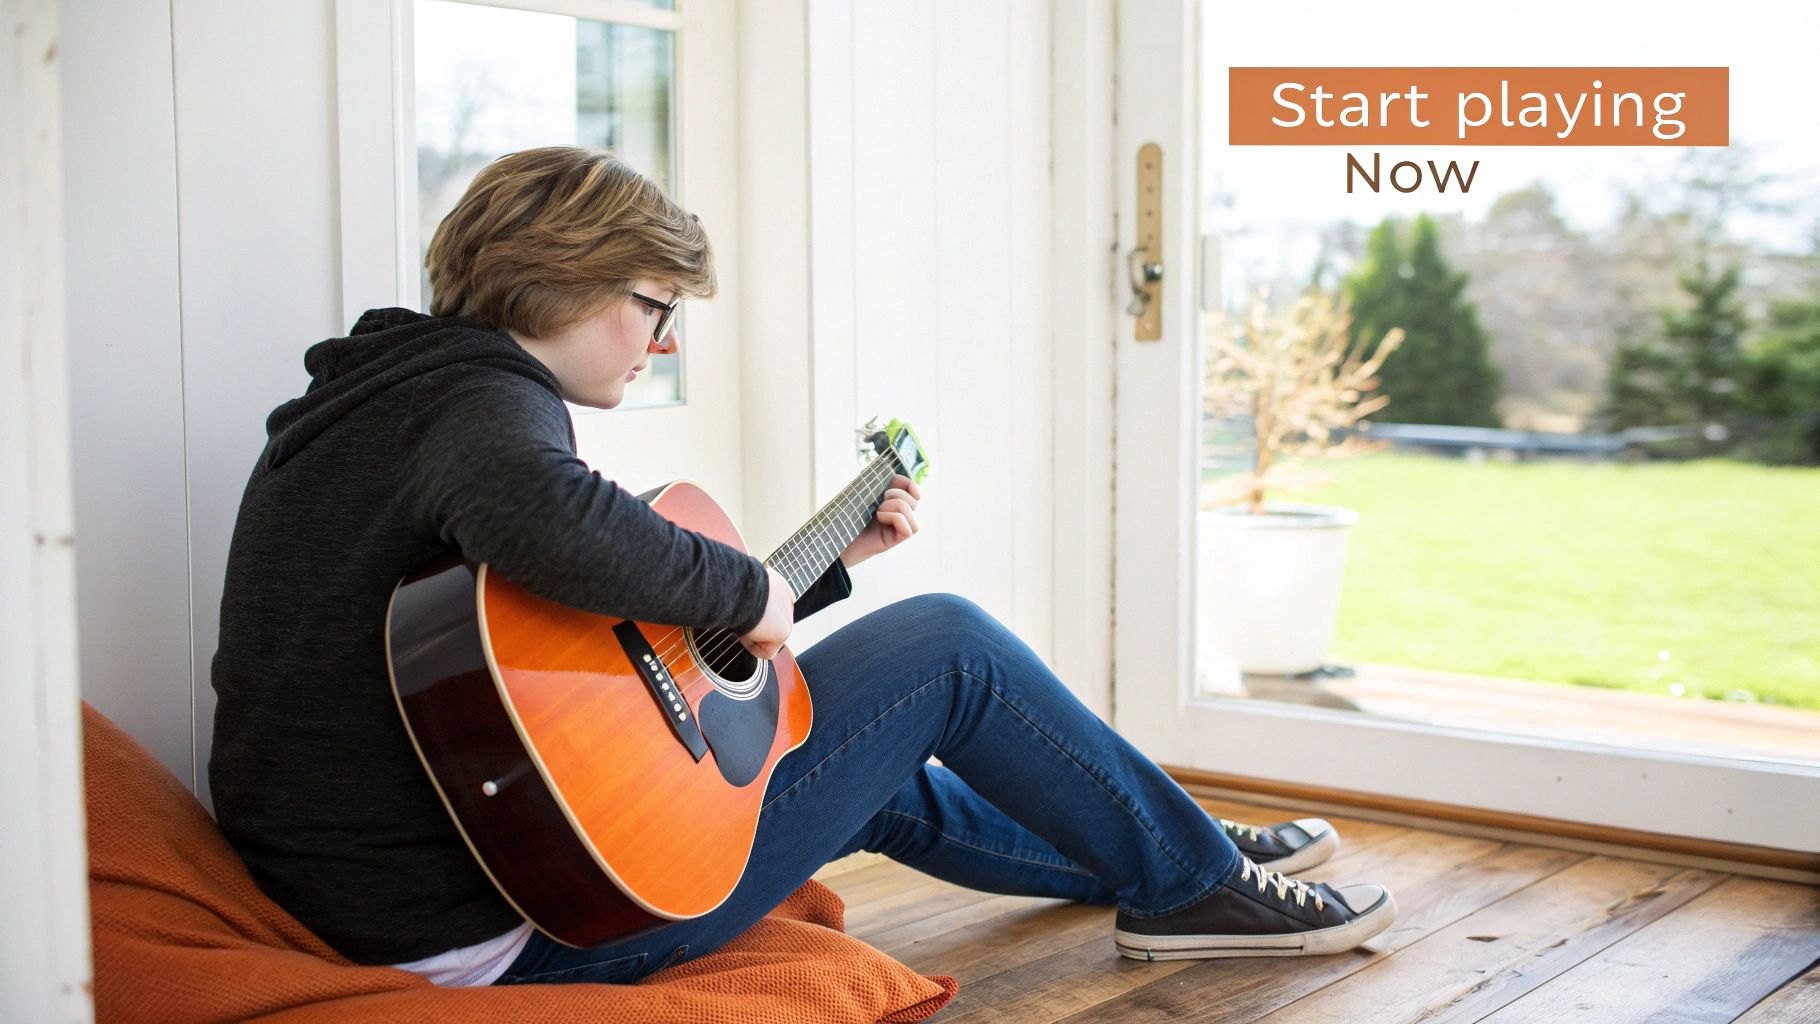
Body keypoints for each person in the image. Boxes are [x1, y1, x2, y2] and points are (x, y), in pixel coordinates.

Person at [208, 145, 1396, 990]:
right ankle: (1196, 889)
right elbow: (552, 526)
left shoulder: (377, 400)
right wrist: (751, 591)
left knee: (862, 757)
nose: (663, 338)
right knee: (947, 644)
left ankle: (1179, 845)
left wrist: (816, 573)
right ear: (558, 273)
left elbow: (569, 647)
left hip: (423, 893)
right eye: (651, 304)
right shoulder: (480, 405)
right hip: (512, 926)